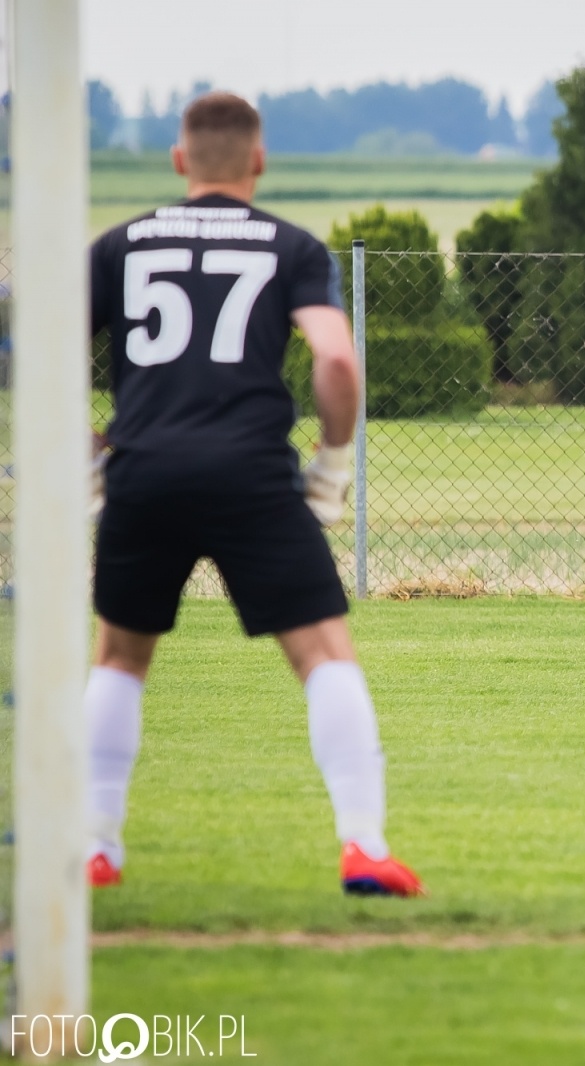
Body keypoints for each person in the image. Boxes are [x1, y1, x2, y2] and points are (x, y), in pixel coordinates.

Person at [84, 92, 423, 894]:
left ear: (178, 160)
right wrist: (332, 467)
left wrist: (87, 458)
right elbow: (336, 363)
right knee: (323, 655)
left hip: (143, 468)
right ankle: (364, 848)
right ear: (259, 161)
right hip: (251, 475)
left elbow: (46, 353)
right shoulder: (292, 246)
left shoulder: (119, 245)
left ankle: (96, 847)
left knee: (121, 658)